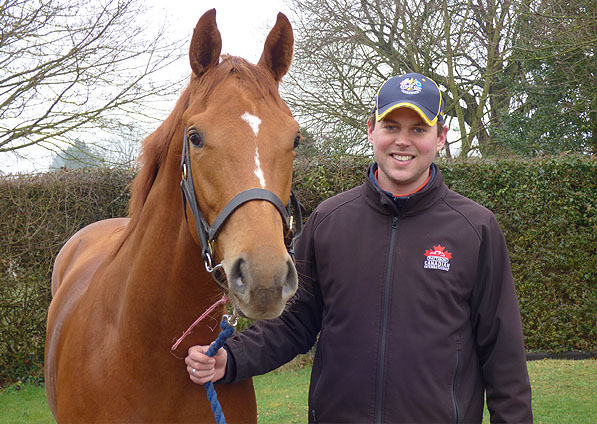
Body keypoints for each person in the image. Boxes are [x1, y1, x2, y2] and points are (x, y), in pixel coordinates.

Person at [185, 72, 533, 423]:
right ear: (371, 130)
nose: (403, 141)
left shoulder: (475, 228)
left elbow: (503, 355)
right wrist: (231, 359)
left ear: (441, 137)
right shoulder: (329, 220)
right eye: (391, 126)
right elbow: (296, 323)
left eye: (418, 130)